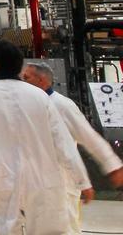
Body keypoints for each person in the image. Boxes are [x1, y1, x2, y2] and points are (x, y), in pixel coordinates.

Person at [0, 40, 91, 235]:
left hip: (1, 179)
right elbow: (63, 142)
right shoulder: (39, 97)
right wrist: (82, 180)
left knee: (5, 229)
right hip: (41, 180)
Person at [21, 60, 123, 233]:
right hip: (33, 184)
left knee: (66, 230)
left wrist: (112, 165)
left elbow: (89, 137)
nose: (23, 82)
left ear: (42, 80)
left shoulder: (62, 105)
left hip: (61, 184)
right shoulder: (27, 106)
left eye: (27, 77)